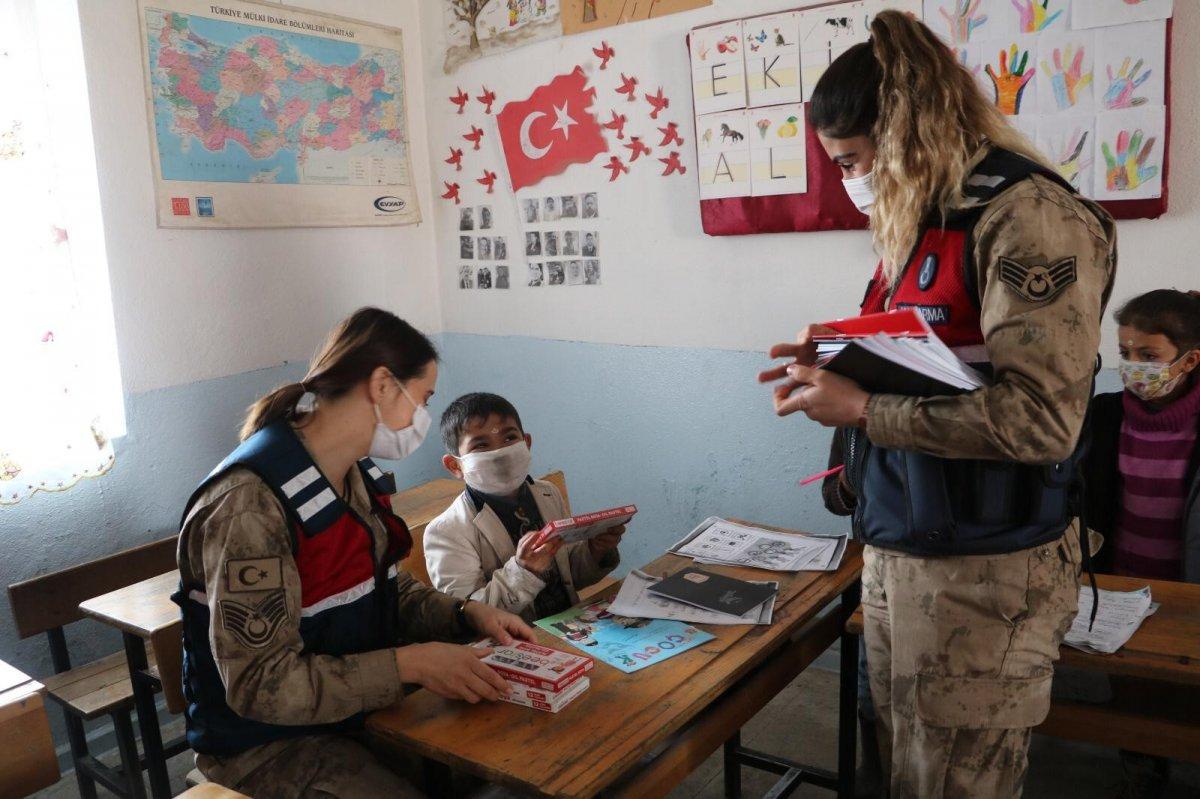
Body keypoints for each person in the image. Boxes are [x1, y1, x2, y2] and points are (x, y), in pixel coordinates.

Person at [759, 12, 1117, 798]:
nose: (849, 180)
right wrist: (845, 347)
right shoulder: (927, 216)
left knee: (957, 781)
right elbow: (944, 355)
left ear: (907, 132)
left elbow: (1042, 419)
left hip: (987, 572)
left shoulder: (1029, 218)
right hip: (909, 548)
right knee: (908, 770)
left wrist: (861, 410)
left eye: (852, 160)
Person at [175, 308, 534, 798]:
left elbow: (382, 587)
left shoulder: (352, 475)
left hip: (355, 713)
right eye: (423, 399)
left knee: (510, 757)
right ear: (383, 385)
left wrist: (467, 614)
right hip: (269, 748)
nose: (421, 420)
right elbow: (262, 684)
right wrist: (410, 664)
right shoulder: (248, 505)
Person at [1082, 289, 1200, 799]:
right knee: (1134, 692)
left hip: (1190, 588)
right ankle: (1142, 763)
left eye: (1148, 356)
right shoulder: (1106, 415)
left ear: (1190, 359)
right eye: (1125, 353)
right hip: (1124, 585)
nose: (1133, 367)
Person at [424, 393, 622, 621]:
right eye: (481, 446)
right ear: (455, 466)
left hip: (571, 625)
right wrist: (524, 572)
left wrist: (595, 550)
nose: (499, 454)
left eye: (509, 439)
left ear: (526, 443)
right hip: (514, 643)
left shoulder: (547, 493)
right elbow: (467, 618)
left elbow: (568, 576)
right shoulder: (446, 532)